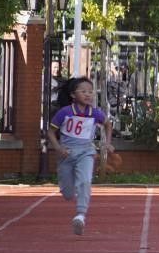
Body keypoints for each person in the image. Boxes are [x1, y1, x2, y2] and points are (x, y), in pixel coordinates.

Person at [47, 77, 114, 236]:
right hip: (67, 154)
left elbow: (108, 124)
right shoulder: (65, 112)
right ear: (73, 95)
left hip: (86, 152)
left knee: (85, 181)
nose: (87, 94)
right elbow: (50, 132)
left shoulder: (95, 113)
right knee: (68, 193)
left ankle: (80, 215)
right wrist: (58, 147)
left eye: (90, 92)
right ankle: (74, 192)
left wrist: (107, 143)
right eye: (83, 91)